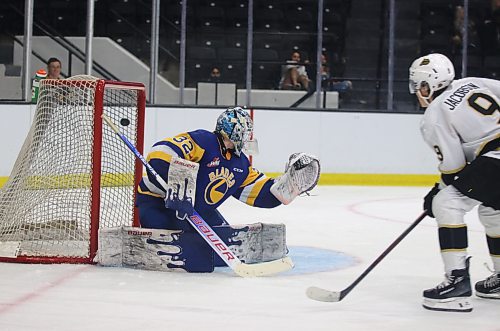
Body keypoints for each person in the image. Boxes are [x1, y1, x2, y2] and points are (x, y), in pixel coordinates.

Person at [135, 106, 320, 271]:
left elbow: (262, 194)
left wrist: (289, 186)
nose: (248, 137)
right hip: (158, 204)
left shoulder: (240, 165)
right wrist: (177, 185)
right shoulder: (204, 141)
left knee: (222, 254)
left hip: (197, 212)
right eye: (246, 132)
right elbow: (160, 153)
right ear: (235, 131)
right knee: (183, 254)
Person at [409, 53, 500, 312]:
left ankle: (457, 283)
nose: (418, 92)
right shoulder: (470, 83)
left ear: (428, 86)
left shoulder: (434, 114)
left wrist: (436, 195)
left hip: (496, 158)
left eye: (419, 86)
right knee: (493, 210)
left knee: (447, 203)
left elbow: (454, 169)